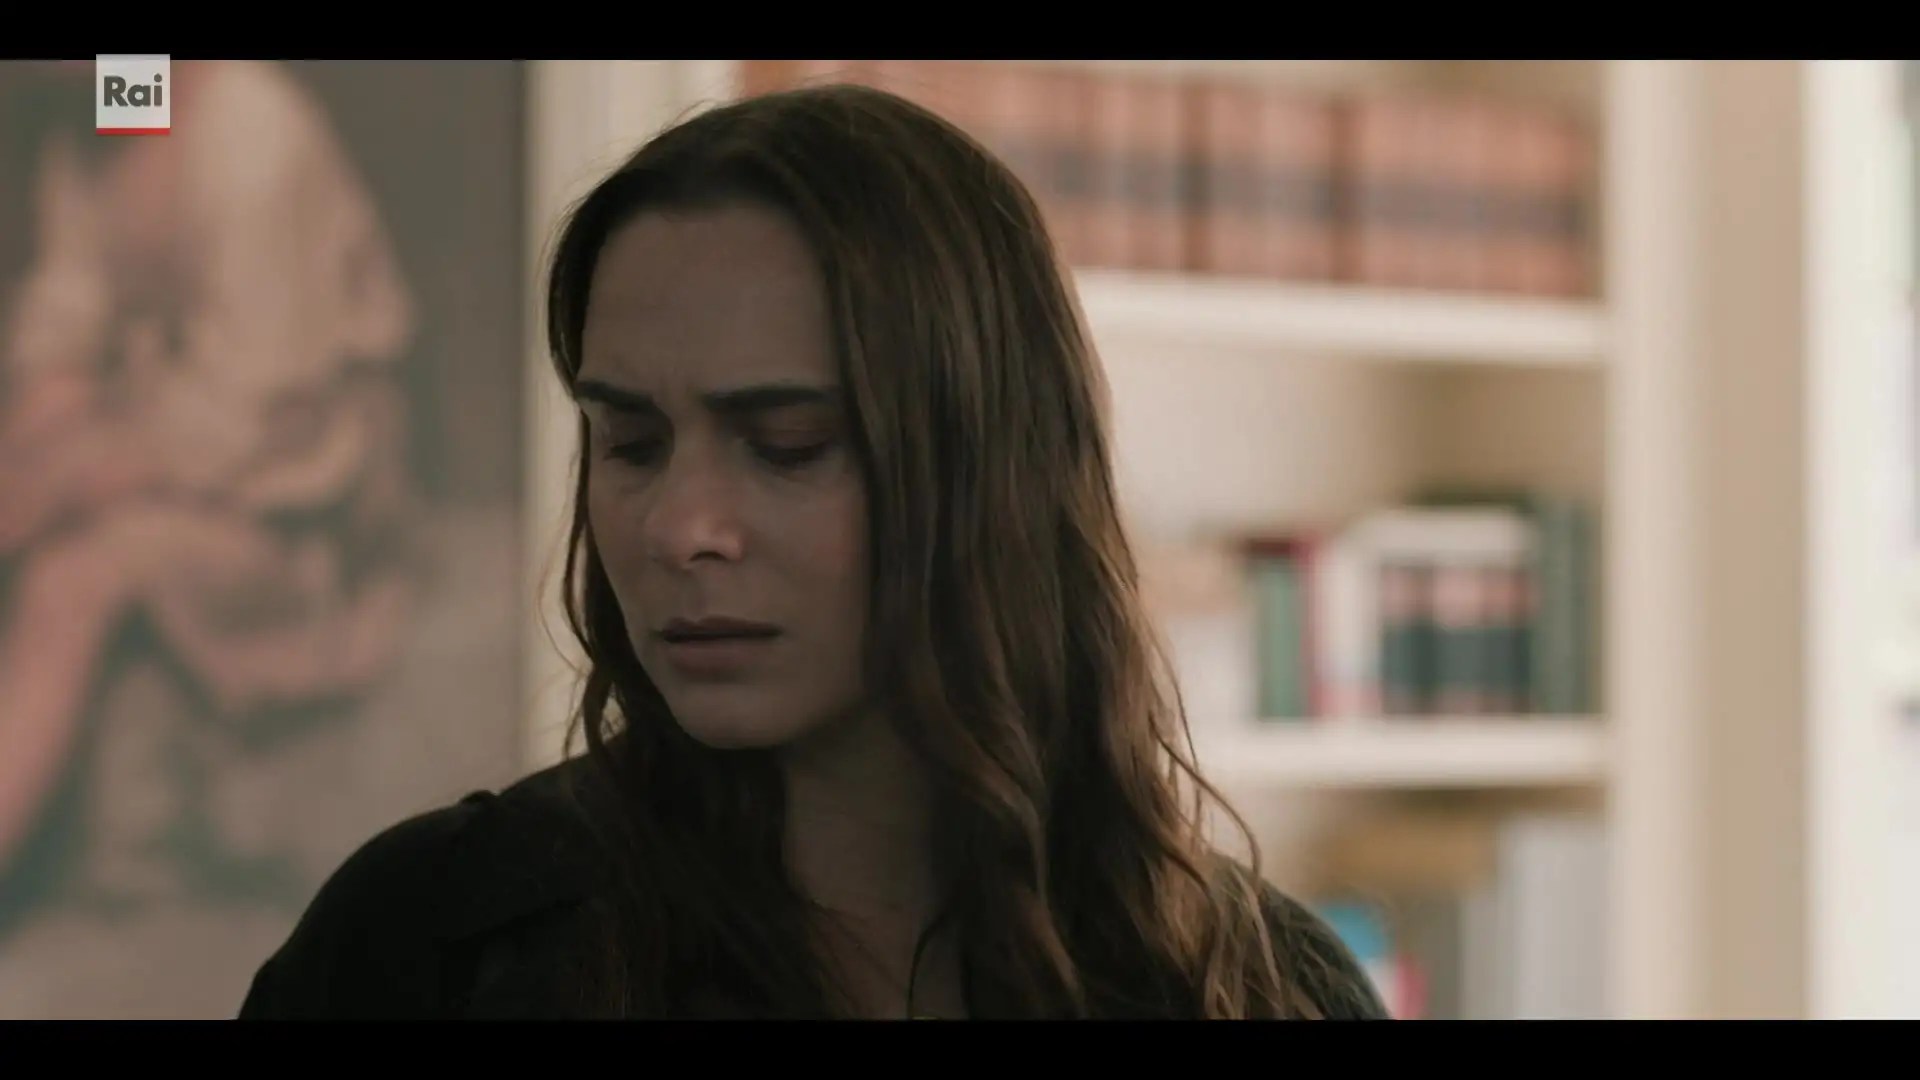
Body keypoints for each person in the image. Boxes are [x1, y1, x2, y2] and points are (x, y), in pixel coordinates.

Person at [235, 80, 1389, 1021]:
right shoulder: (432, 947)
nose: (678, 528)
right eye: (631, 443)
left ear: (985, 474)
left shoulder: (1257, 986)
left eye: (785, 445)